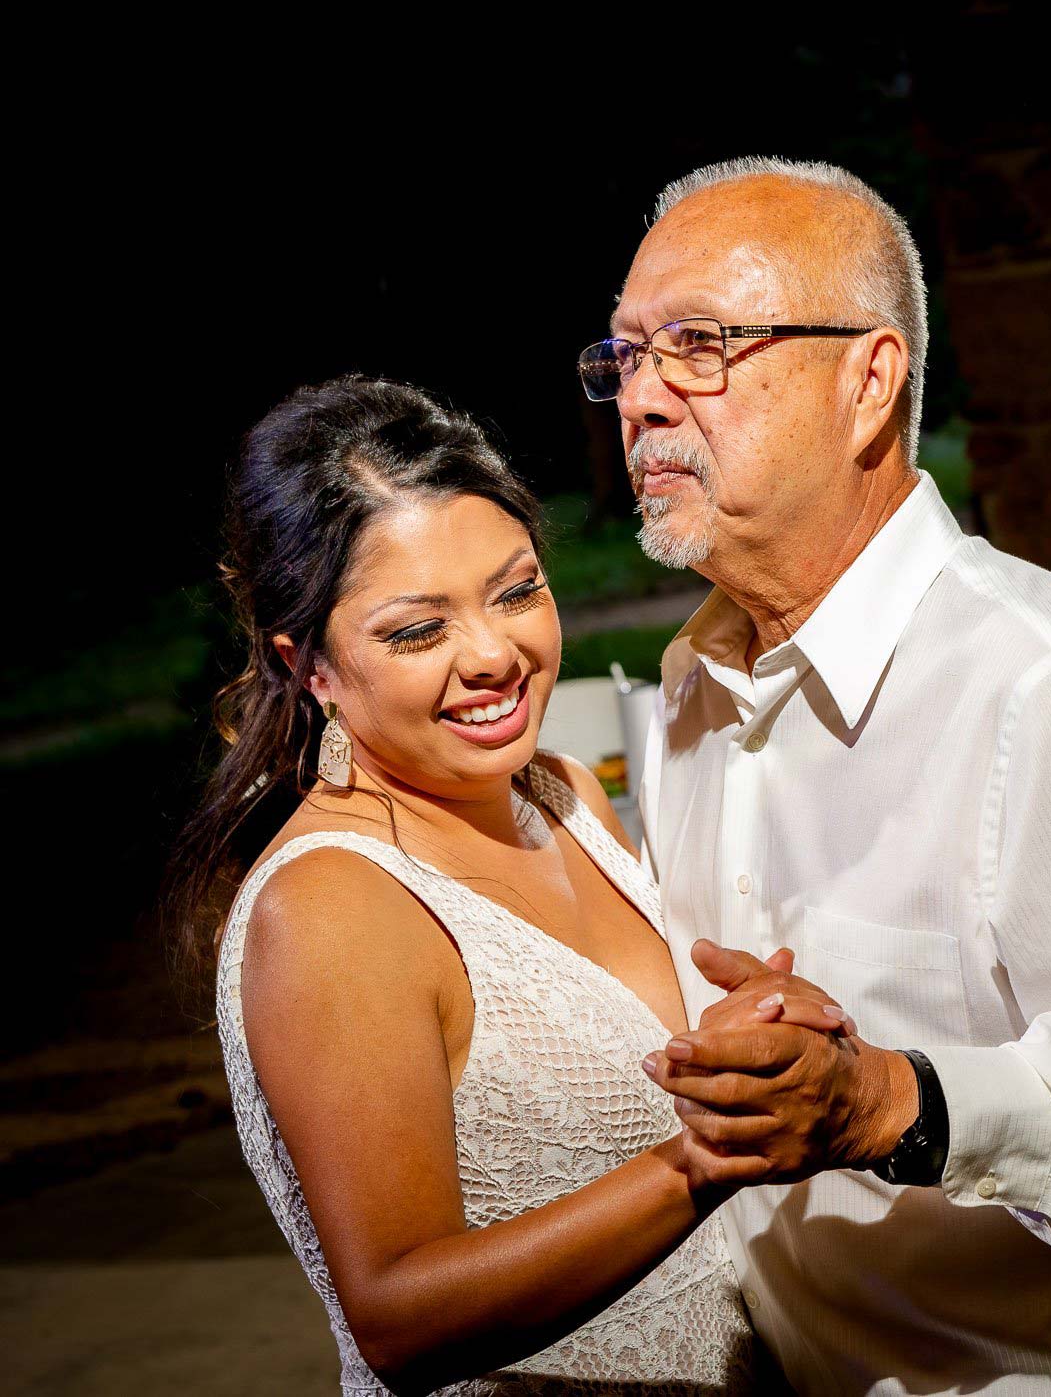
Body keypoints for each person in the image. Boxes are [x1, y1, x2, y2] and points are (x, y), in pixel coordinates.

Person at [579, 157, 1051, 1394]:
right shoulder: (695, 680)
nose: (639, 399)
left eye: (697, 346)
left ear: (867, 382)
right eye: (625, 356)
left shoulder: (1048, 684)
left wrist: (884, 1101)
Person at [170, 378, 840, 1392]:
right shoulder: (334, 908)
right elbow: (399, 1317)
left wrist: (751, 1042)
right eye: (415, 631)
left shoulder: (567, 795)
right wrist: (704, 1161)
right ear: (307, 665)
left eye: (516, 590)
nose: (494, 655)